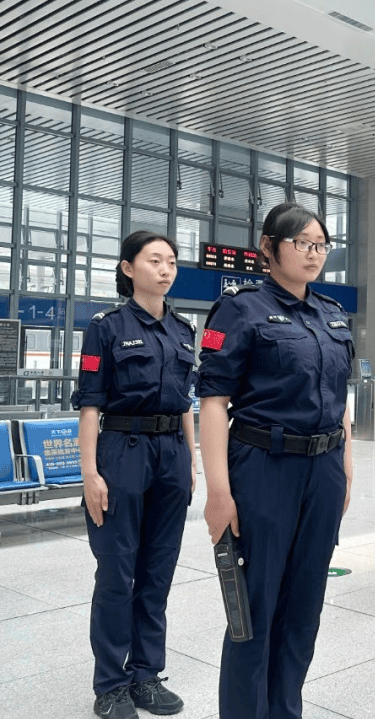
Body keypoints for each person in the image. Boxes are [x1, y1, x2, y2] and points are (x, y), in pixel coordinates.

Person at [199, 203, 354, 719]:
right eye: (302, 243)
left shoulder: (332, 312)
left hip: (324, 469)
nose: (313, 254)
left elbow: (340, 397)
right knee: (255, 609)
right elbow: (215, 402)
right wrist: (218, 493)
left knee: (304, 608)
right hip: (264, 467)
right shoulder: (240, 309)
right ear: (269, 247)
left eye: (321, 245)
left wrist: (346, 467)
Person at [74, 230, 197, 719]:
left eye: (171, 261)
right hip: (122, 451)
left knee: (158, 571)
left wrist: (192, 461)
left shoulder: (184, 329)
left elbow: (187, 400)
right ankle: (111, 683)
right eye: (154, 260)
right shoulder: (105, 326)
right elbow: (89, 405)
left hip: (171, 453)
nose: (165, 269)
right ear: (128, 268)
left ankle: (146, 674)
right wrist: (90, 474)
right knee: (116, 572)